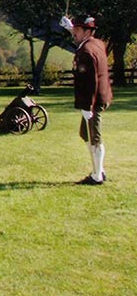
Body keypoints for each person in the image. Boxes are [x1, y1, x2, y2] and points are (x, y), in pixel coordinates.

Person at [60, 15, 112, 185]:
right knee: (87, 135)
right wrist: (70, 27)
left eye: (77, 29)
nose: (74, 32)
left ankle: (98, 175)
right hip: (99, 97)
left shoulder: (86, 52)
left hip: (93, 100)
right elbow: (81, 40)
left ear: (87, 31)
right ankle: (98, 171)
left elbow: (90, 82)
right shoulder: (96, 44)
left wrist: (87, 105)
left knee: (94, 137)